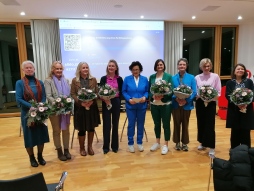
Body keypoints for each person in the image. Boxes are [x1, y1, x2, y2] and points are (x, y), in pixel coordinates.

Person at [15, 60, 49, 167]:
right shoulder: (19, 83)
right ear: (23, 70)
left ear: (34, 69)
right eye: (27, 68)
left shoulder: (40, 82)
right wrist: (32, 107)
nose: (29, 69)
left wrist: (41, 105)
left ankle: (40, 156)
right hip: (27, 114)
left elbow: (43, 96)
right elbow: (19, 99)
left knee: (41, 135)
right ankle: (32, 158)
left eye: (31, 67)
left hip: (40, 112)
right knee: (29, 136)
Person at [70, 62, 100, 156]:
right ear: (79, 69)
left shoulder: (93, 79)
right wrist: (81, 103)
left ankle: (90, 147)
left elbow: (97, 92)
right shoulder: (75, 80)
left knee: (91, 128)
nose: (85, 69)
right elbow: (73, 94)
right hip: (80, 108)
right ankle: (82, 148)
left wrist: (92, 101)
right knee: (82, 128)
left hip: (92, 107)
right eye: (83, 68)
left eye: (87, 67)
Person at [44, 61, 71, 161]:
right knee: (56, 131)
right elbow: (48, 95)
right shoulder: (48, 81)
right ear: (53, 69)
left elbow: (68, 95)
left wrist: (67, 104)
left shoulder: (66, 80)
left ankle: (66, 150)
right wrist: (58, 103)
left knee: (66, 130)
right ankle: (59, 151)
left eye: (60, 69)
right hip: (54, 110)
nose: (59, 70)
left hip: (65, 110)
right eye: (57, 69)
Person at [195, 58, 221, 156]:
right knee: (201, 123)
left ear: (211, 66)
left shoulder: (215, 76)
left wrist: (210, 98)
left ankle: (212, 147)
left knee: (210, 124)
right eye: (204, 66)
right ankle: (202, 143)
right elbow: (196, 90)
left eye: (208, 66)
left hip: (211, 103)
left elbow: (218, 91)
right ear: (201, 67)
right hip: (200, 103)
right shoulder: (197, 77)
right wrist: (200, 96)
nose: (206, 68)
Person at [122, 61, 149, 153]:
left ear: (140, 70)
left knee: (141, 125)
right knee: (131, 125)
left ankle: (140, 143)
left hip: (142, 106)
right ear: (131, 70)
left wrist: (145, 97)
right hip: (130, 106)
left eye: (137, 69)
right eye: (133, 70)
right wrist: (129, 99)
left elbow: (147, 91)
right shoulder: (127, 79)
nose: (135, 71)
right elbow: (124, 91)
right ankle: (130, 144)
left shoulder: (145, 79)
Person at [225, 63, 254, 149]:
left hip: (246, 110)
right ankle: (234, 153)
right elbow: (227, 95)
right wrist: (237, 104)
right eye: (238, 69)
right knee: (235, 133)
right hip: (234, 110)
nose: (240, 70)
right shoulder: (230, 82)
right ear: (234, 71)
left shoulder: (249, 82)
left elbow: (252, 94)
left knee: (246, 132)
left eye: (242, 69)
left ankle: (246, 154)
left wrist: (245, 104)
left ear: (244, 71)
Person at [149, 59, 173, 155]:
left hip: (165, 104)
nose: (159, 66)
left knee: (166, 124)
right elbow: (148, 90)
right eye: (158, 65)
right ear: (155, 66)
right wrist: (153, 96)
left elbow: (171, 90)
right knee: (157, 124)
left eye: (161, 64)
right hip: (155, 104)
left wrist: (163, 96)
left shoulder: (168, 76)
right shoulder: (151, 77)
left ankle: (166, 144)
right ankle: (157, 142)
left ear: (164, 66)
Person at [172, 58, 197, 151]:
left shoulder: (191, 77)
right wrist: (177, 99)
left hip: (187, 105)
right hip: (175, 105)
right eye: (180, 64)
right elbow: (171, 91)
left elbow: (194, 92)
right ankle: (177, 142)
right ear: (178, 66)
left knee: (185, 124)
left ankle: (185, 143)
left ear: (186, 66)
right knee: (176, 123)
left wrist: (186, 101)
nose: (182, 66)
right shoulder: (173, 78)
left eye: (184, 64)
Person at [100, 59, 123, 154]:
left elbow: (121, 92)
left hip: (116, 102)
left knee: (115, 124)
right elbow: (100, 92)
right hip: (106, 103)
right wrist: (106, 99)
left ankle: (115, 146)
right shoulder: (103, 79)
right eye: (109, 66)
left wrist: (116, 94)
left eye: (113, 66)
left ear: (116, 68)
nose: (111, 67)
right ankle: (106, 147)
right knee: (106, 125)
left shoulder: (119, 79)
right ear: (107, 67)